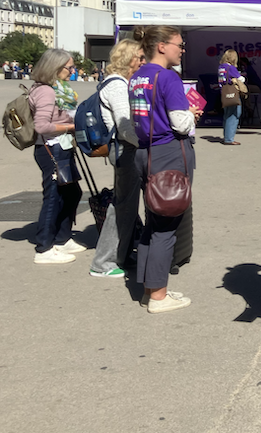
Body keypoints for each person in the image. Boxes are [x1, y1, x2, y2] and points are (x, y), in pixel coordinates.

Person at [130, 26, 201, 313]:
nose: (182, 50)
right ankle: (159, 296)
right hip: (168, 152)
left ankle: (150, 289)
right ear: (161, 46)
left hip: (144, 152)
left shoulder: (137, 76)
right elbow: (180, 123)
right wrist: (192, 114)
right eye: (178, 45)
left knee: (153, 222)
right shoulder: (168, 76)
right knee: (166, 227)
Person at [89, 39, 144, 278]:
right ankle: (103, 263)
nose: (142, 62)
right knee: (121, 207)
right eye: (140, 57)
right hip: (125, 149)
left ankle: (122, 254)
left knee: (127, 206)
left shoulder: (117, 83)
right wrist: (146, 144)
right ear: (129, 59)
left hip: (124, 148)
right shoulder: (118, 86)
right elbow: (125, 127)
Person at [29, 49, 84, 264]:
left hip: (61, 145)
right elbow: (41, 126)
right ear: (55, 67)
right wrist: (71, 127)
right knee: (53, 197)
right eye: (69, 67)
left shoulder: (57, 89)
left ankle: (62, 237)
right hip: (51, 147)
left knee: (72, 193)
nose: (72, 71)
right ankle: (44, 247)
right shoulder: (46, 92)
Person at [218, 49, 245, 145]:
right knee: (234, 114)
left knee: (227, 115)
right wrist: (242, 77)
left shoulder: (221, 67)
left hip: (224, 93)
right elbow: (241, 79)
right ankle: (229, 139)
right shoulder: (231, 68)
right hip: (232, 93)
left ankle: (226, 136)